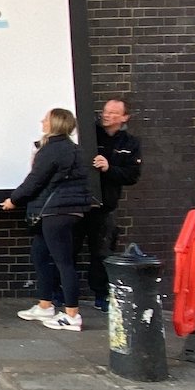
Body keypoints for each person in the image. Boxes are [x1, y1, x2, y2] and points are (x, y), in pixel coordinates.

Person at [1, 108, 95, 332]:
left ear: (55, 124)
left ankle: (72, 315)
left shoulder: (52, 150)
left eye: (46, 118)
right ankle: (45, 305)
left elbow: (35, 180)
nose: (42, 121)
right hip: (65, 211)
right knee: (40, 254)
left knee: (63, 262)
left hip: (56, 212)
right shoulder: (73, 149)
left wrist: (14, 200)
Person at [73, 97, 142, 312]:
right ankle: (62, 295)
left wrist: (108, 168)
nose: (107, 115)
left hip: (105, 206)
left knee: (102, 253)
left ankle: (101, 295)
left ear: (124, 117)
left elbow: (132, 175)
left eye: (113, 113)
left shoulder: (130, 144)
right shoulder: (89, 134)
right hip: (78, 202)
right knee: (69, 249)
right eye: (105, 111)